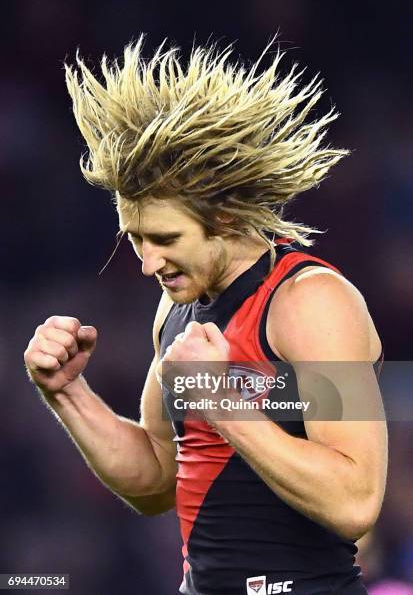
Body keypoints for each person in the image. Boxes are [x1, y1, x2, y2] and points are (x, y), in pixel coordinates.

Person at [24, 37, 388, 594]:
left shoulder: (309, 302)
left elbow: (354, 500)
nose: (146, 264)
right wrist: (68, 394)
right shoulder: (178, 306)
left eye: (165, 238)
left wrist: (223, 404)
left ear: (222, 216)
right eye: (135, 238)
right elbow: (154, 479)